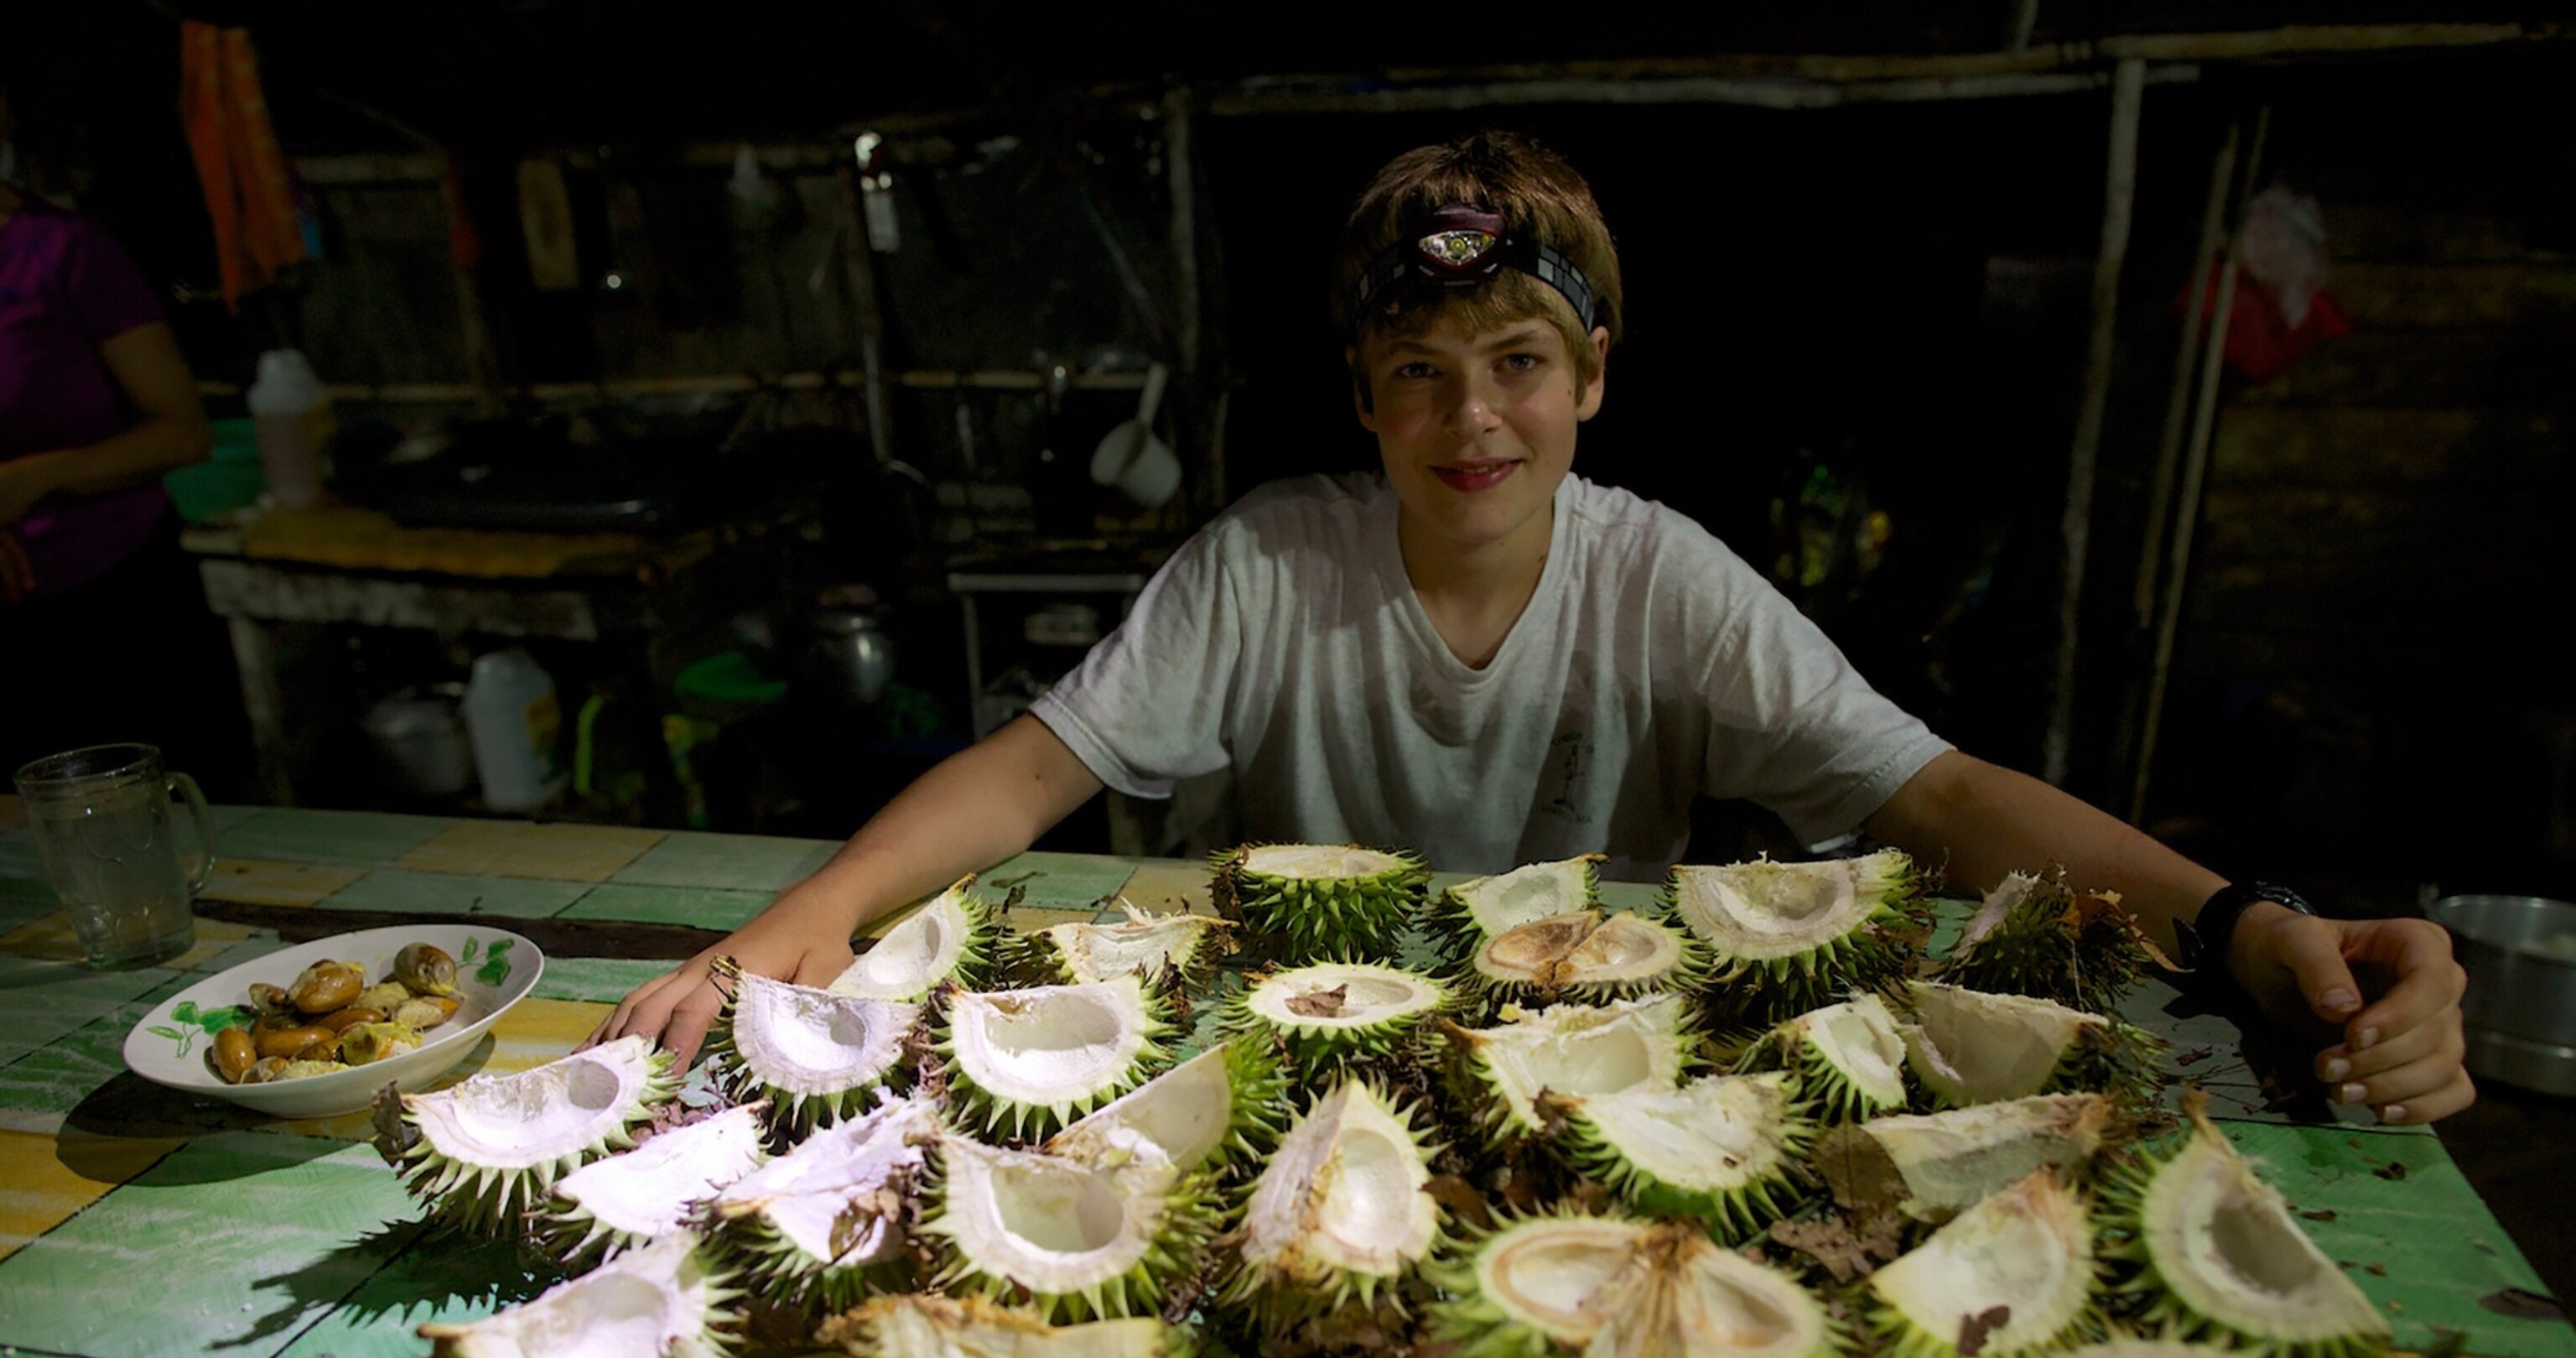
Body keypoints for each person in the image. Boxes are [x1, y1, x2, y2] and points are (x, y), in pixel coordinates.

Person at [598, 131, 2472, 1126]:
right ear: (1362, 395)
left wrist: (2238, 919)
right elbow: (1029, 769)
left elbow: (1945, 791)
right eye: (1419, 372)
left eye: (1516, 364)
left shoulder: (1666, 580)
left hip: (1601, 1065)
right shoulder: (1268, 565)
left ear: (1595, 375)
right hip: (1287, 1057)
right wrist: (803, 922)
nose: (1470, 419)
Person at [0, 82, 243, 784]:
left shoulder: (62, 252)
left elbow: (181, 433)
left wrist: (31, 479)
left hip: (114, 602)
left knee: (167, 817)